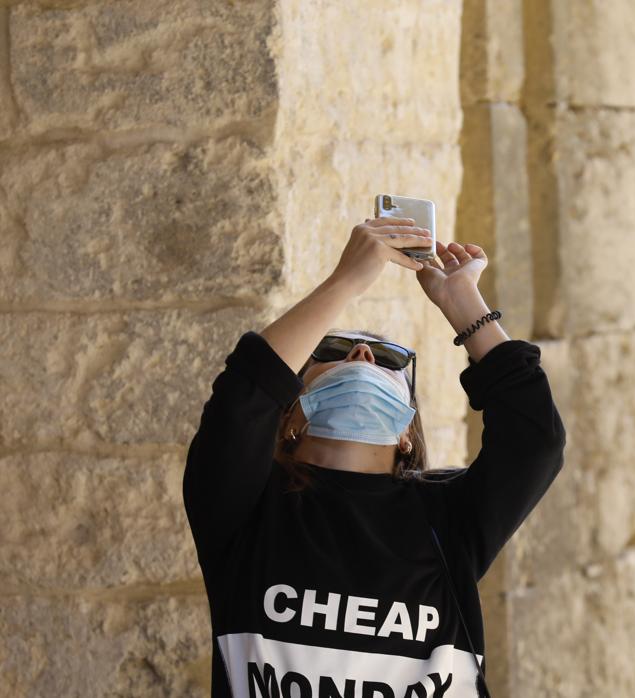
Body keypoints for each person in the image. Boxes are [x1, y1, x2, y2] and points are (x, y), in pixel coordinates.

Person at [182, 216, 566, 698]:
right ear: (290, 415)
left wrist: (461, 299)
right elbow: (242, 399)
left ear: (407, 430)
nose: (363, 354)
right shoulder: (246, 509)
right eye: (334, 351)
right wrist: (346, 282)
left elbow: (535, 441)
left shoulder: (447, 520)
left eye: (388, 360)